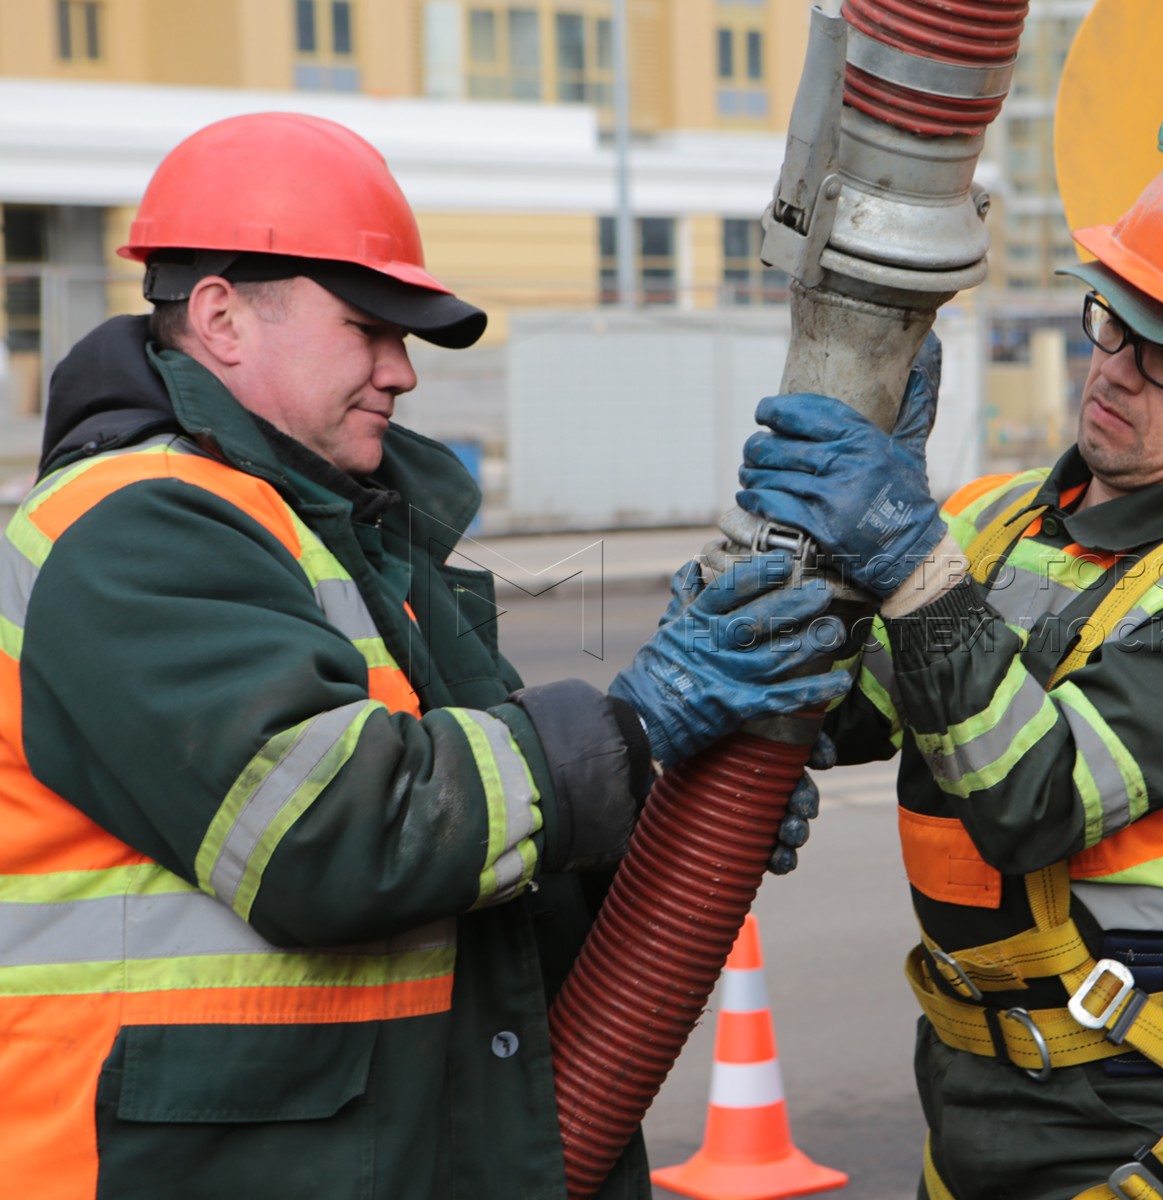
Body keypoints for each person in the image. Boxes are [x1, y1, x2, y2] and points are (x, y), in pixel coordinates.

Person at [0, 112, 849, 1200]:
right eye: (368, 327)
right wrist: (635, 734)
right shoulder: (132, 528)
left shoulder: (337, 530)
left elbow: (481, 845)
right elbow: (339, 834)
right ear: (220, 316)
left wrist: (666, 809)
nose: (402, 373)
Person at [736, 93, 1163, 1200]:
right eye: (1113, 320)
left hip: (1128, 1109)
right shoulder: (996, 518)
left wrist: (911, 567)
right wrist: (785, 613)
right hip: (966, 1092)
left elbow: (1038, 800)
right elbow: (855, 712)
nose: (1117, 368)